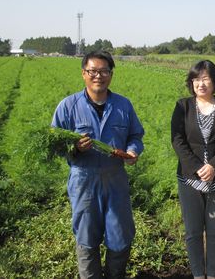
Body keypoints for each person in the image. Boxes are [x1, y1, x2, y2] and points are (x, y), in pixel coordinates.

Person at [51, 50, 145, 279]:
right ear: (84, 73)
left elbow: (135, 135)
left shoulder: (123, 105)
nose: (98, 76)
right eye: (92, 71)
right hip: (83, 180)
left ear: (111, 74)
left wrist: (133, 150)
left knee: (120, 234)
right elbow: (55, 145)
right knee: (86, 236)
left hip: (116, 181)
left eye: (104, 71)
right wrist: (75, 149)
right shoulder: (68, 106)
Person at [171, 60, 215, 279]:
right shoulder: (183, 106)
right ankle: (198, 274)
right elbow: (178, 140)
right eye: (196, 79)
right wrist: (198, 168)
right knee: (192, 232)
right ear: (191, 83)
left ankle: (212, 274)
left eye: (206, 79)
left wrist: (214, 166)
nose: (201, 84)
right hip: (190, 180)